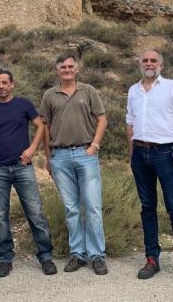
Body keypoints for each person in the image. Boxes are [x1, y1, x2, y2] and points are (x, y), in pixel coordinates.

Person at [125, 49, 173, 284]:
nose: (148, 63)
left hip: (166, 153)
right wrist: (131, 153)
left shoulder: (172, 87)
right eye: (145, 60)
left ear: (161, 65)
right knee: (147, 207)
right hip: (140, 154)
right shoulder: (133, 91)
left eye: (153, 60)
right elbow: (130, 122)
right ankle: (152, 259)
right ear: (140, 64)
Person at [0, 68, 57, 277]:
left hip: (22, 167)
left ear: (12, 84)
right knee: (0, 216)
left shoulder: (24, 104)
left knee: (35, 212)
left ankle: (46, 256)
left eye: (5, 82)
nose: (1, 86)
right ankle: (5, 258)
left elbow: (40, 126)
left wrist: (32, 150)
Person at [40, 52, 108, 275]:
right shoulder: (50, 95)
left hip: (85, 153)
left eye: (70, 67)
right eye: (63, 67)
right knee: (71, 208)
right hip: (60, 157)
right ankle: (77, 254)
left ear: (76, 69)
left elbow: (102, 119)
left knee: (93, 207)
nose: (67, 70)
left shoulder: (88, 91)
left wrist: (94, 147)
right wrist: (48, 158)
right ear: (57, 70)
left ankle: (97, 255)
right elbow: (45, 127)